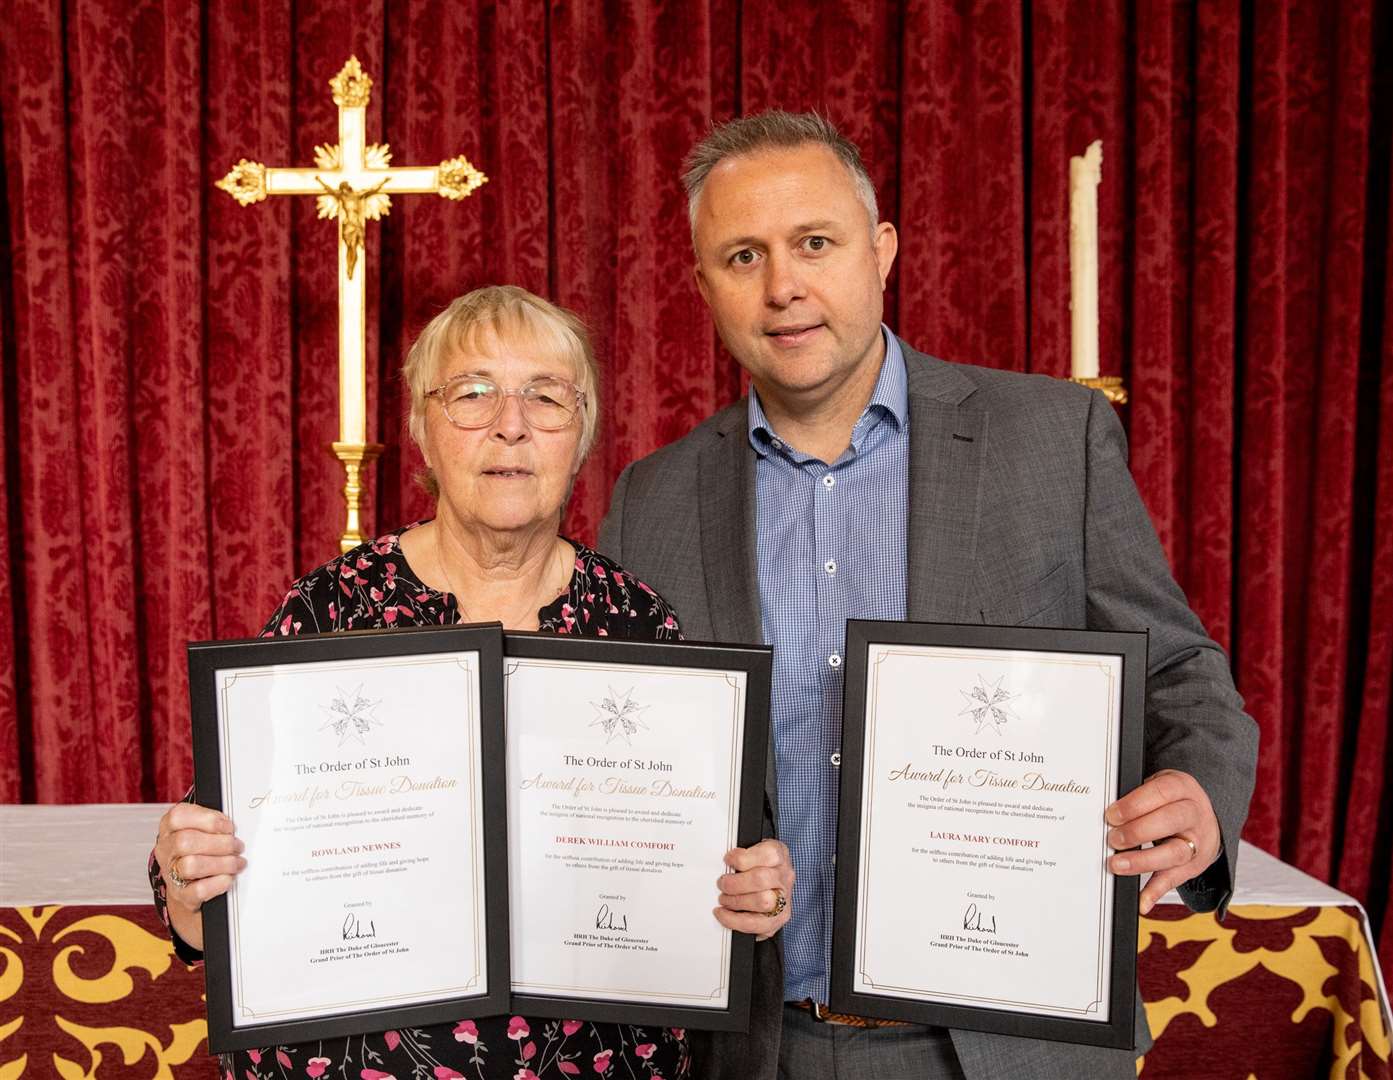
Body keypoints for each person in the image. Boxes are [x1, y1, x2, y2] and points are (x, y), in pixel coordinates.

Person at [598, 112, 1258, 1079]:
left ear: (882, 250)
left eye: (813, 243)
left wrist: (1200, 788)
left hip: (1009, 1043)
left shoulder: (1049, 439)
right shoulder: (651, 498)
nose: (782, 285)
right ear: (703, 286)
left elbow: (1181, 673)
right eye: (742, 256)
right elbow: (632, 777)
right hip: (752, 1046)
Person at [149, 285, 794, 1080]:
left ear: (580, 435)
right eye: (472, 394)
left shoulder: (636, 621)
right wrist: (190, 884)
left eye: (546, 397)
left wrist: (745, 893)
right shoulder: (332, 609)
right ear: (423, 431)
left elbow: (698, 856)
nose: (510, 424)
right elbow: (221, 883)